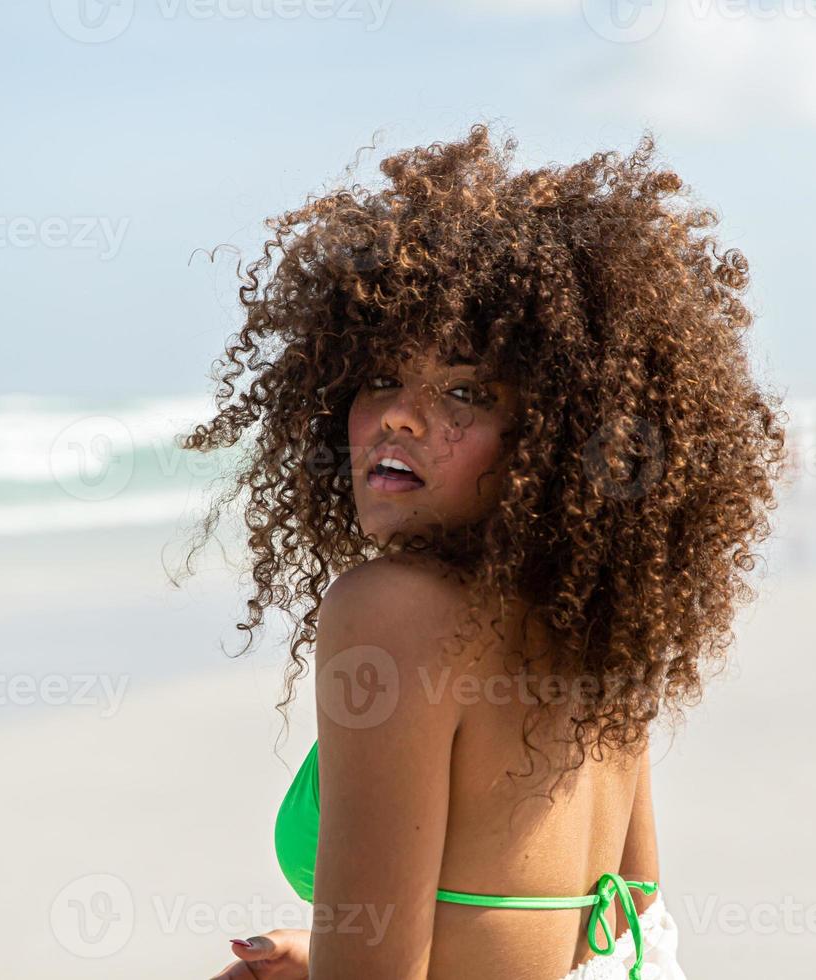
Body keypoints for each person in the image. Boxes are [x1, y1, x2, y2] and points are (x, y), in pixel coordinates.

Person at [181, 124, 784, 980]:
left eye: (465, 390)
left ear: (557, 434)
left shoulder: (389, 612)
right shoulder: (598, 614)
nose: (398, 414)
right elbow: (630, 913)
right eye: (380, 376)